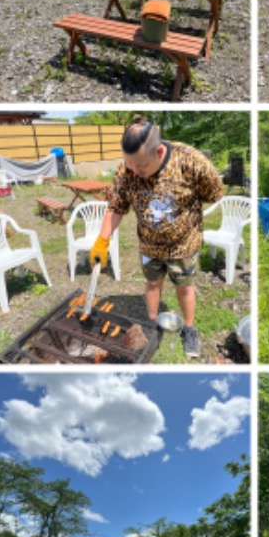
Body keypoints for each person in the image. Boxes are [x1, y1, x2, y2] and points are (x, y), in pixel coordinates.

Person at [89, 116, 224, 359]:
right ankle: (152, 324)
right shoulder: (127, 170)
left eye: (141, 166)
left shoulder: (190, 161)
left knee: (184, 286)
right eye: (130, 165)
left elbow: (214, 193)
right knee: (152, 283)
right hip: (149, 245)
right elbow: (116, 207)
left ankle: (190, 329)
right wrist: (103, 239)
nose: (135, 172)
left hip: (183, 244)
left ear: (159, 151)